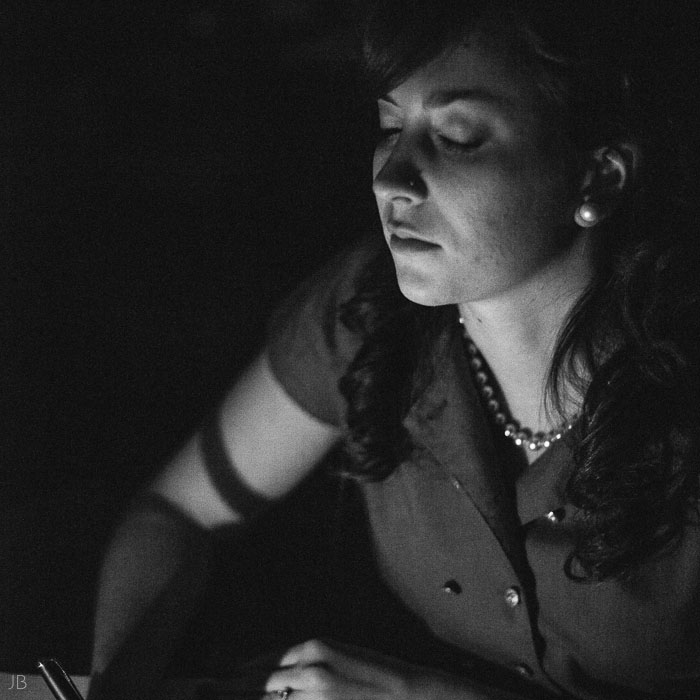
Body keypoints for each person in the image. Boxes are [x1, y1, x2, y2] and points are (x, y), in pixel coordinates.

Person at [87, 1, 700, 698]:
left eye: (458, 136)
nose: (390, 177)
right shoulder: (367, 314)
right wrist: (122, 679)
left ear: (599, 176)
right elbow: (180, 514)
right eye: (389, 126)